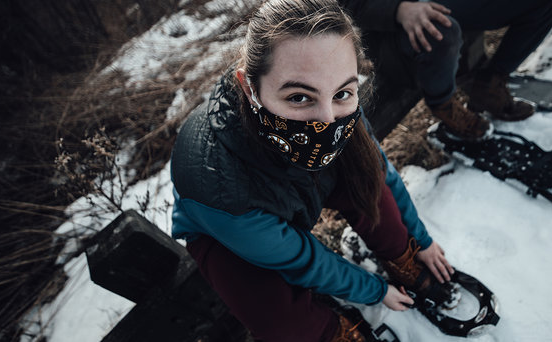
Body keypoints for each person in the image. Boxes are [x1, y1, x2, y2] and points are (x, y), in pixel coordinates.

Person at [170, 0, 459, 341]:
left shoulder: (337, 110)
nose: (327, 120)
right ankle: (329, 331)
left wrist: (418, 239)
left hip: (298, 182)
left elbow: (380, 171)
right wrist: (375, 291)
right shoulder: (214, 183)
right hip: (227, 234)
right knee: (278, 320)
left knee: (368, 184)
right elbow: (302, 259)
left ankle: (401, 257)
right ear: (250, 88)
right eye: (298, 97)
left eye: (342, 93)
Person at [338, 0, 552, 141]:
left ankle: (491, 81)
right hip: (389, 25)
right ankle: (443, 104)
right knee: (441, 32)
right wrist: (398, 9)